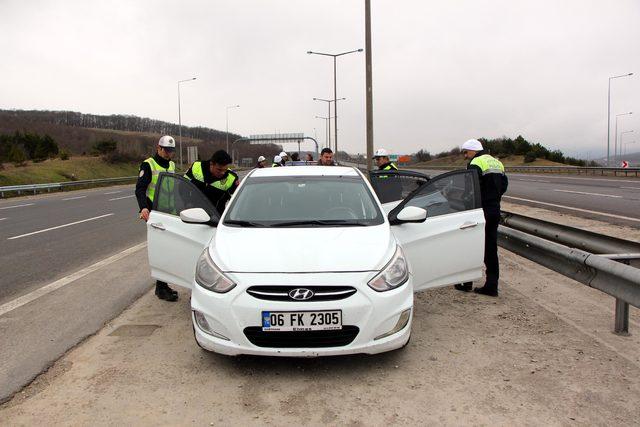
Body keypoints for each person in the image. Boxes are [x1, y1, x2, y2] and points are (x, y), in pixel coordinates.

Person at [454, 139, 508, 297]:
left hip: (479, 210)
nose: (465, 155)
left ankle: (466, 282)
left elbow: (471, 188)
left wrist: (465, 203)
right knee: (490, 247)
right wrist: (493, 198)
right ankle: (492, 285)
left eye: (466, 152)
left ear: (473, 150)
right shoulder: (497, 162)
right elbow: (504, 185)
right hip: (494, 209)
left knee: (471, 244)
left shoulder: (476, 162)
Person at [135, 135, 178, 302]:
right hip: (156, 213)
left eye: (171, 151)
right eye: (166, 150)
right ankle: (161, 288)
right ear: (158, 148)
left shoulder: (172, 165)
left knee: (170, 250)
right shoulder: (149, 164)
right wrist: (144, 207)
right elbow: (140, 189)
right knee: (161, 250)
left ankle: (164, 285)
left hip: (170, 212)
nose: (169, 154)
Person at [184, 150, 239, 216]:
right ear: (211, 164)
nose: (223, 173)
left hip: (215, 219)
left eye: (225, 170)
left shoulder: (232, 178)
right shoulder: (196, 166)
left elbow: (238, 201)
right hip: (192, 214)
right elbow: (183, 186)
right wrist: (187, 203)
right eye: (219, 170)